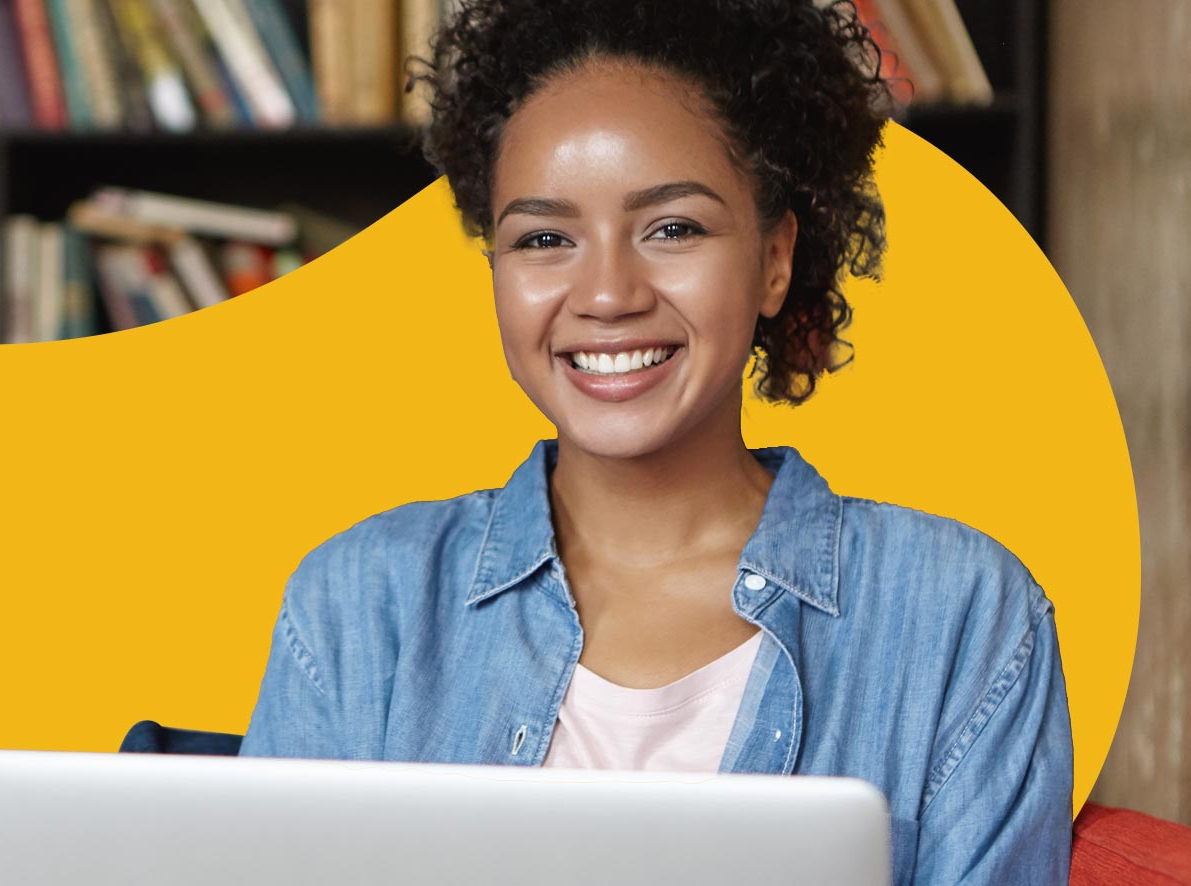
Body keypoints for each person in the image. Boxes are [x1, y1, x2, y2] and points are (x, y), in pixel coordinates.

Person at [235, 1, 1073, 883]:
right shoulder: (357, 606)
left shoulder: (961, 616)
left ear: (775, 260)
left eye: (673, 229)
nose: (607, 294)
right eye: (544, 238)